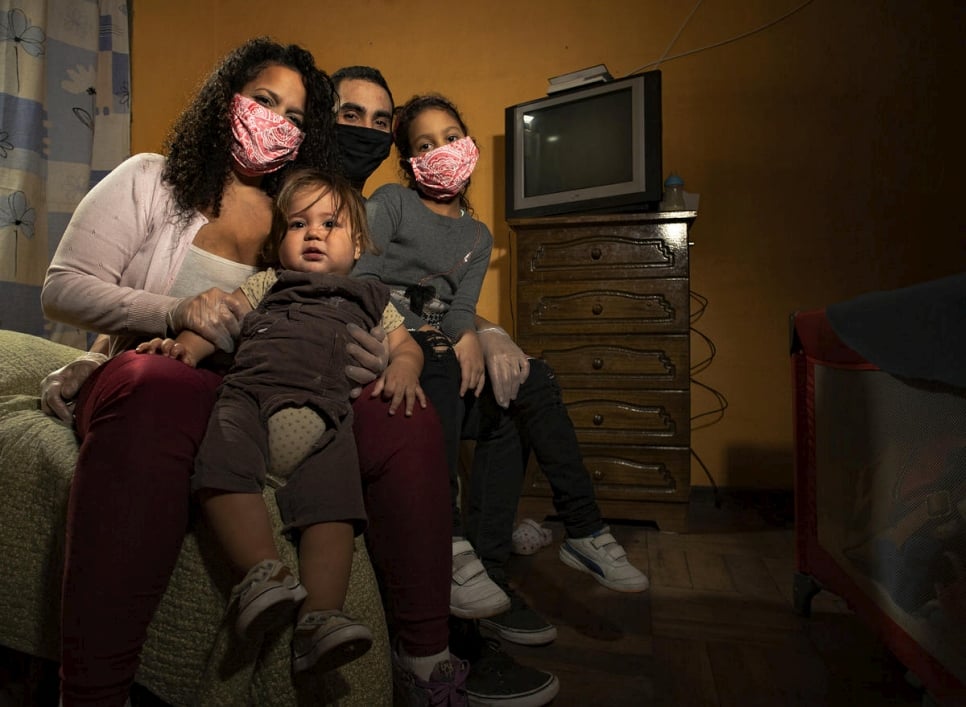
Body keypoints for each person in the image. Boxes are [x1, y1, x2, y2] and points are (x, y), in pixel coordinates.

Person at [39, 39, 464, 706]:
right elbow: (62, 287)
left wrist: (385, 357)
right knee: (159, 387)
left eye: (294, 116)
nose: (275, 122)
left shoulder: (293, 216)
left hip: (276, 391)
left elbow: (336, 312)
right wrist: (179, 310)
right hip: (168, 374)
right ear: (225, 98)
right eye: (264, 100)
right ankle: (92, 690)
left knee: (402, 413)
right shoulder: (154, 178)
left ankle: (427, 662)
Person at [135, 169, 425, 676]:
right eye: (298, 224)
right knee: (220, 465)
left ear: (357, 243)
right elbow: (221, 326)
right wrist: (182, 348)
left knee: (335, 510)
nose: (313, 233)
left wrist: (402, 367)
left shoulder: (374, 299)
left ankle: (319, 620)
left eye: (330, 223)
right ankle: (262, 574)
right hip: (249, 402)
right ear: (280, 241)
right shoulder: (267, 283)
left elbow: (407, 347)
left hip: (328, 423)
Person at [330, 69, 561, 707]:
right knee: (436, 375)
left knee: (514, 387)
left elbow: (436, 299)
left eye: (380, 120)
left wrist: (487, 333)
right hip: (372, 344)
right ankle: (454, 625)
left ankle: (484, 580)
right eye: (350, 115)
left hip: (418, 333)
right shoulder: (323, 198)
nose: (365, 132)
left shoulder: (437, 221)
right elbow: (362, 289)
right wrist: (434, 339)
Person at [351, 92, 519, 623]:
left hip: (444, 333)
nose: (443, 151)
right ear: (409, 161)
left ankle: (570, 534)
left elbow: (461, 307)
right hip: (404, 337)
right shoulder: (392, 203)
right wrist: (443, 333)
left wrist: (474, 331)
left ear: (468, 143)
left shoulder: (476, 235)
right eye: (426, 144)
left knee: (530, 384)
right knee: (440, 356)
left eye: (452, 137)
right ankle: (449, 538)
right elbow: (364, 279)